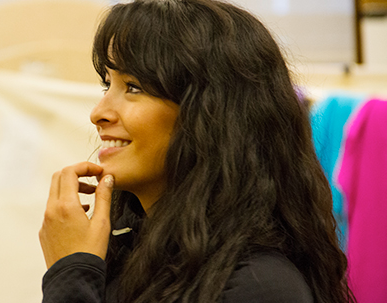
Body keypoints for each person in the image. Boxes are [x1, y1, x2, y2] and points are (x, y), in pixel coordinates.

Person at [38, 0, 354, 302]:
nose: (98, 113)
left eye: (133, 87)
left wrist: (72, 273)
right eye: (107, 84)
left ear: (210, 114)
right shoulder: (130, 256)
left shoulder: (256, 285)